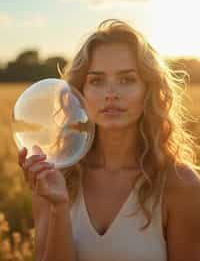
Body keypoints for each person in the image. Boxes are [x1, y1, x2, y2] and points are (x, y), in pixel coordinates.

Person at [18, 19, 200, 261]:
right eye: (96, 80)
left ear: (148, 89)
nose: (111, 94)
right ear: (77, 94)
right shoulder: (54, 177)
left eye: (126, 79)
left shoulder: (180, 184)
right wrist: (58, 208)